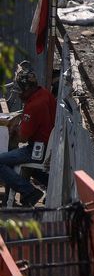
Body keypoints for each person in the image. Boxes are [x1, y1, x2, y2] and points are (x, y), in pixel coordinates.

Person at [1, 65, 55, 207]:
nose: (19, 95)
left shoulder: (33, 106)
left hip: (37, 150)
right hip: (49, 146)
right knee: (28, 167)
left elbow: (23, 138)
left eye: (20, 91)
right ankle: (52, 186)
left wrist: (14, 129)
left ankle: (29, 192)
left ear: (28, 89)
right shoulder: (45, 94)